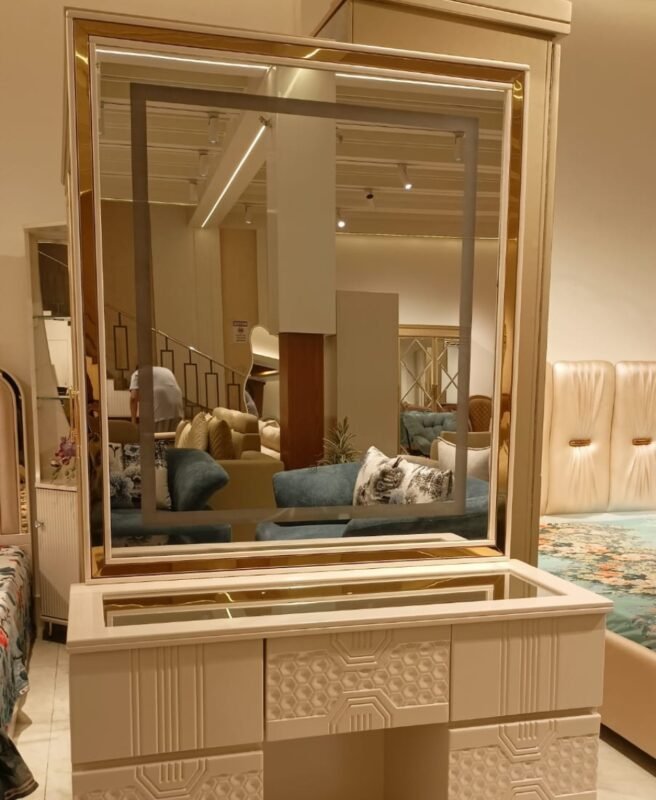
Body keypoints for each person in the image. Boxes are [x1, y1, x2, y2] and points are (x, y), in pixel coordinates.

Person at [129, 365, 184, 432]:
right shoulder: (166, 370)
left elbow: (133, 398)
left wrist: (133, 423)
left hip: (160, 408)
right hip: (177, 408)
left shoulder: (137, 373)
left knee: (158, 437)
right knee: (174, 436)